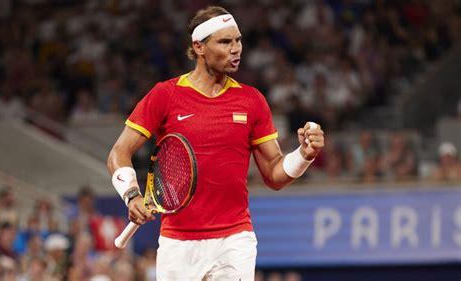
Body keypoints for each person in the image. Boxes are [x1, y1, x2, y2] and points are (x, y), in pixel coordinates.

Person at [107, 6, 324, 281]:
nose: (236, 49)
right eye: (225, 42)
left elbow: (274, 175)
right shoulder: (165, 95)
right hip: (179, 243)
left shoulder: (252, 100)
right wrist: (132, 195)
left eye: (238, 40)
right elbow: (119, 153)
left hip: (235, 239)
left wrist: (304, 154)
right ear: (199, 47)